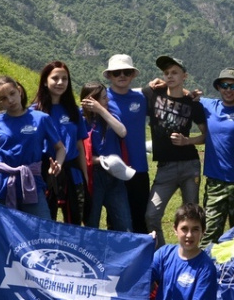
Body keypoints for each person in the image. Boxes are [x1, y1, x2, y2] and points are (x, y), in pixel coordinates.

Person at [143, 56, 207, 247]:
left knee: (192, 216)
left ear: (184, 76)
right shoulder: (153, 94)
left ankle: (190, 254)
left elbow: (205, 136)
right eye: (166, 73)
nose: (169, 76)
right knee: (151, 215)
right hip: (165, 168)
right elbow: (129, 93)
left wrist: (187, 141)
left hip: (190, 166)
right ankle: (163, 256)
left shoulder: (192, 104)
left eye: (174, 72)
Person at [0, 75, 66, 219]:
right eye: (3, 98)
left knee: (42, 229)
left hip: (32, 182)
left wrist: (58, 165)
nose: (10, 100)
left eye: (12, 93)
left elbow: (60, 148)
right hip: (2, 183)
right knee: (3, 232)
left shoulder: (41, 118)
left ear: (19, 91)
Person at [199, 68, 234, 247]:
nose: (228, 89)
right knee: (208, 235)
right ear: (218, 87)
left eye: (233, 85)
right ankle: (206, 273)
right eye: (224, 85)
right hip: (215, 184)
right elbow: (183, 94)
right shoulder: (208, 106)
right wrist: (158, 86)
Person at [32, 61, 89, 225]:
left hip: (72, 172)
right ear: (45, 81)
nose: (60, 83)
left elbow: (79, 146)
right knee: (44, 220)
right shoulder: (34, 112)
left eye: (64, 79)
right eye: (55, 78)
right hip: (44, 171)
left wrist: (85, 176)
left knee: (74, 222)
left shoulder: (74, 112)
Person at [105, 54, 150, 233]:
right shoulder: (102, 99)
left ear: (133, 75)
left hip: (139, 168)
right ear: (109, 76)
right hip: (114, 168)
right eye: (117, 73)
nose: (122, 75)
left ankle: (142, 259)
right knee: (115, 219)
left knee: (140, 218)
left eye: (126, 72)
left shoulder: (141, 99)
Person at [80, 81, 133, 232]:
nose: (107, 101)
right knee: (92, 224)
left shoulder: (110, 116)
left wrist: (101, 111)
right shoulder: (81, 119)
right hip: (94, 176)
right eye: (103, 98)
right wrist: (100, 160)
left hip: (115, 175)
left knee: (124, 223)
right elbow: (79, 151)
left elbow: (122, 131)